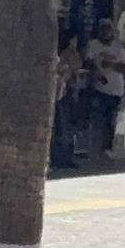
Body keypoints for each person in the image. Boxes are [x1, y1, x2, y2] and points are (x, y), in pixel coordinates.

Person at [84, 18, 125, 157]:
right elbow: (88, 62)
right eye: (103, 29)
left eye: (108, 29)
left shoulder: (118, 47)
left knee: (111, 120)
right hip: (100, 88)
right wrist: (97, 68)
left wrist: (110, 65)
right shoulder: (94, 45)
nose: (105, 32)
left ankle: (108, 148)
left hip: (116, 89)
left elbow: (124, 68)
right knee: (98, 119)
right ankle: (95, 147)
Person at [50, 28, 82, 171]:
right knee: (62, 128)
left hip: (69, 93)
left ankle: (67, 157)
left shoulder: (72, 54)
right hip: (61, 96)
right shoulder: (63, 55)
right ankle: (60, 158)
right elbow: (67, 70)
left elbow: (78, 65)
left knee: (69, 128)